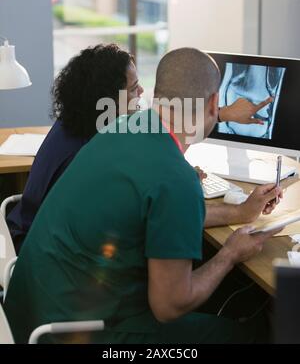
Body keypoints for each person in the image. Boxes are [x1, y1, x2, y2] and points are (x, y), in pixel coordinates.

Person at [4, 48, 282, 344]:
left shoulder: (119, 129)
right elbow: (169, 306)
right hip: (74, 334)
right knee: (256, 335)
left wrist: (240, 214)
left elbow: (158, 216)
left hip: (27, 314)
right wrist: (229, 254)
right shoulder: (175, 178)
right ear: (214, 103)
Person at [6, 43, 143, 253]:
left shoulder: (74, 124)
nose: (141, 91)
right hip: (42, 251)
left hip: (27, 228)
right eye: (133, 88)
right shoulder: (87, 154)